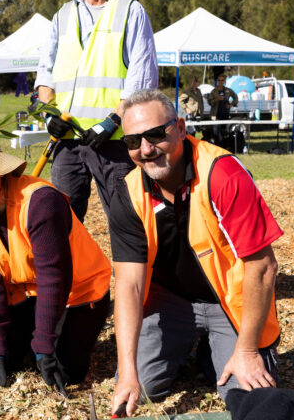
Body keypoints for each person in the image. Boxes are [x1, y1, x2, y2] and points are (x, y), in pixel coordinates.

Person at [108, 89, 281, 417]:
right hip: (170, 301)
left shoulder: (224, 174)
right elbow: (128, 285)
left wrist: (246, 350)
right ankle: (201, 349)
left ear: (181, 128)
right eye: (133, 141)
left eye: (156, 135)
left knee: (244, 392)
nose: (145, 149)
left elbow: (263, 267)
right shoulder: (128, 194)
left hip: (229, 301)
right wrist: (127, 372)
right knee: (139, 389)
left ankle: (215, 350)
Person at [0, 129, 111, 395]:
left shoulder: (40, 201)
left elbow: (55, 279)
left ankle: (50, 338)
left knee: (66, 371)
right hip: (26, 295)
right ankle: (32, 340)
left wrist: (44, 347)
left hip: (78, 294)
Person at [34, 0, 158, 222]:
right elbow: (45, 74)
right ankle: (69, 271)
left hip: (113, 141)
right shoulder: (62, 15)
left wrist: (113, 120)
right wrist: (48, 115)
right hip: (67, 142)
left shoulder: (132, 10)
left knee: (125, 220)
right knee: (63, 222)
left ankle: (133, 270)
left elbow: (142, 79)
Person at [207, 68, 239, 148]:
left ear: (224, 81)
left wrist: (231, 105)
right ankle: (218, 146)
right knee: (216, 131)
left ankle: (224, 146)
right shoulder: (213, 91)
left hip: (225, 114)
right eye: (219, 80)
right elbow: (209, 102)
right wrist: (216, 99)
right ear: (217, 81)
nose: (220, 82)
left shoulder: (228, 90)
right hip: (216, 114)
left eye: (222, 80)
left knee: (224, 131)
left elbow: (236, 98)